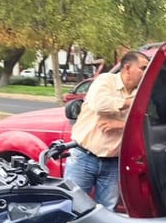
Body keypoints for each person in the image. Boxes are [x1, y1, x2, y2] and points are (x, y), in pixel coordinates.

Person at [64, 50, 149, 210]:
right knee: (72, 207)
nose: (146, 73)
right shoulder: (106, 80)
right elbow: (100, 103)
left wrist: (122, 126)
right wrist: (131, 103)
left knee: (107, 212)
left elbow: (148, 121)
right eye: (143, 68)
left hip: (112, 162)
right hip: (83, 157)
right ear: (127, 68)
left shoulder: (142, 93)